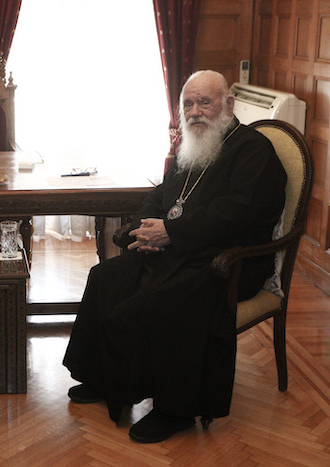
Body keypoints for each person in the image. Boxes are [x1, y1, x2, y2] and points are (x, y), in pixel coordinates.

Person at [62, 70, 287, 443]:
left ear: (228, 104)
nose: (195, 111)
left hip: (230, 261)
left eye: (205, 102)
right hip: (181, 248)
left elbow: (236, 213)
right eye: (188, 104)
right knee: (106, 276)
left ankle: (175, 410)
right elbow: (161, 193)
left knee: (163, 299)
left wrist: (172, 233)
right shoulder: (195, 144)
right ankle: (104, 378)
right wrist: (144, 229)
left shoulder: (253, 151)